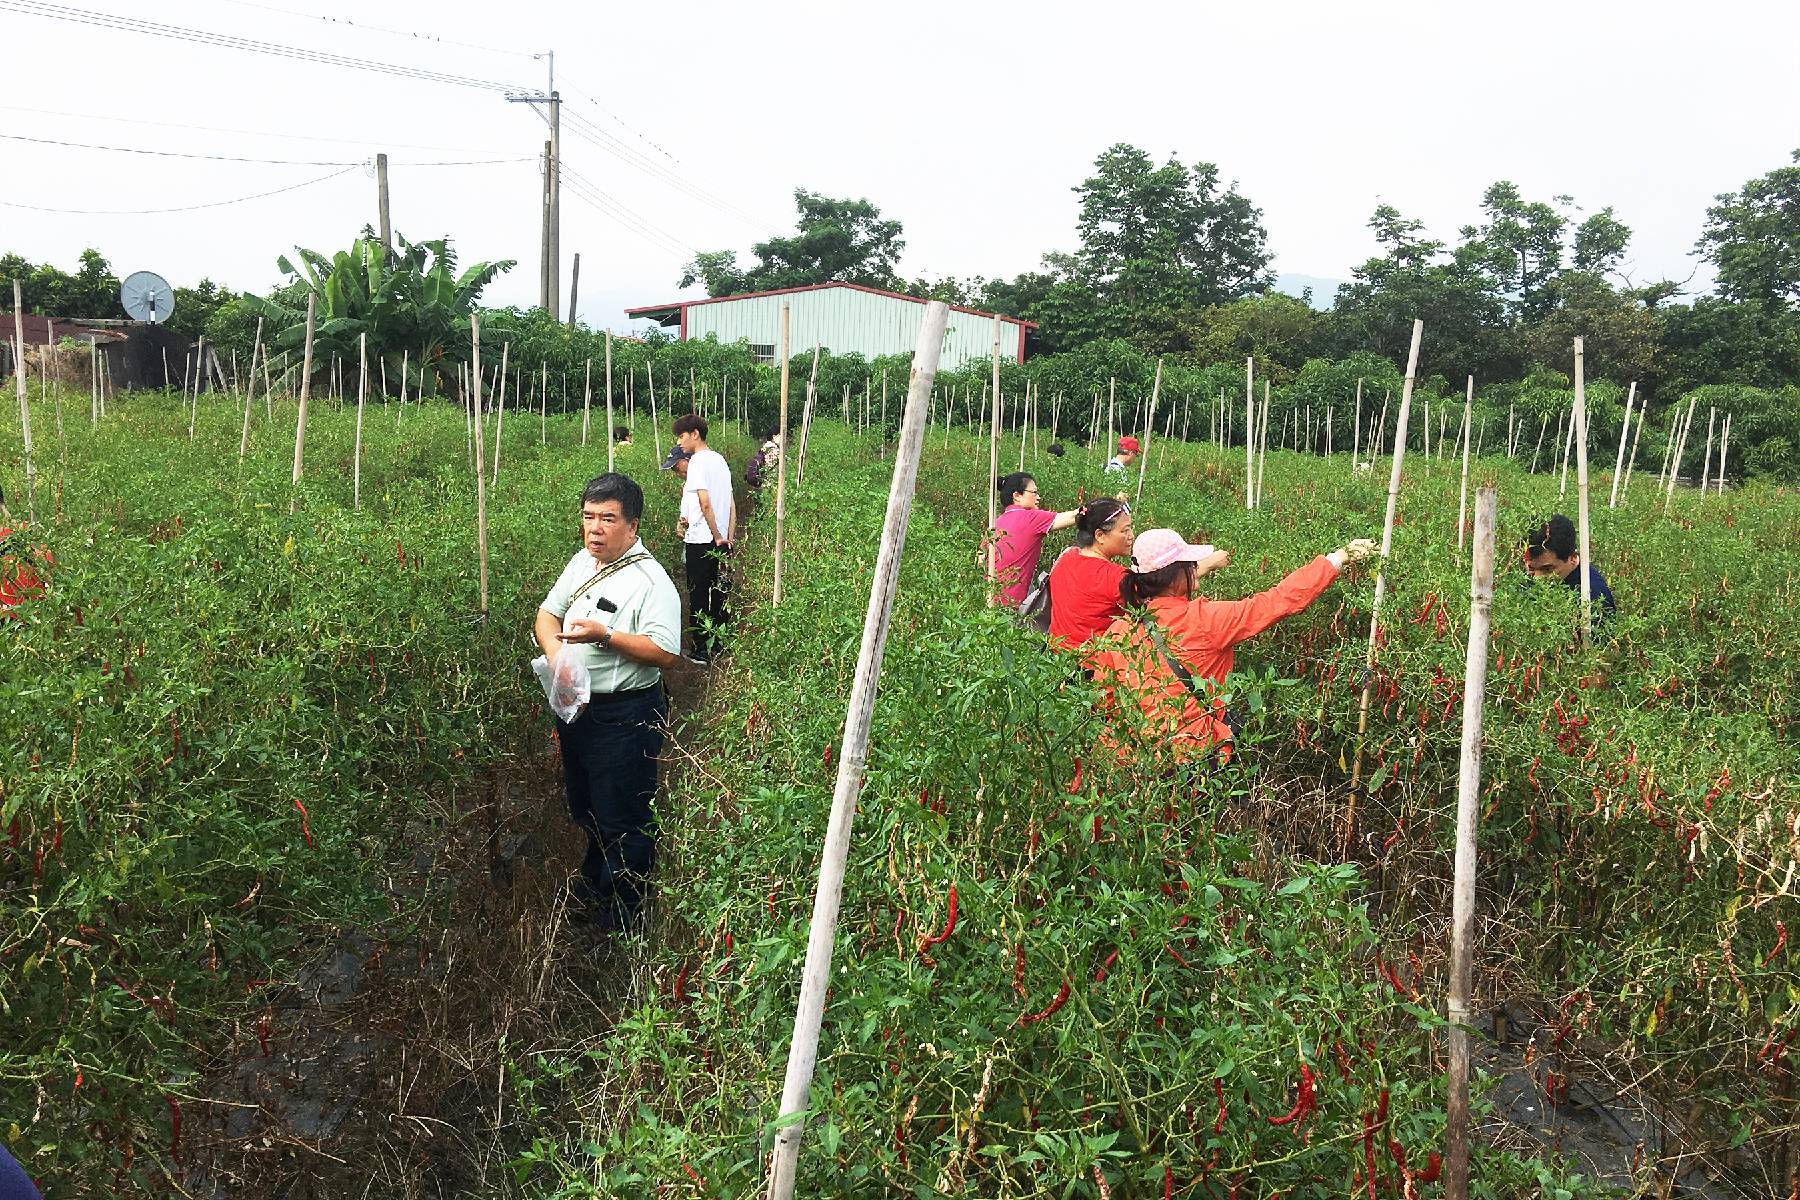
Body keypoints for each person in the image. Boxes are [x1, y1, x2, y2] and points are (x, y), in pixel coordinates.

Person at [534, 473, 682, 932]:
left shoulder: (650, 581)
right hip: (578, 708)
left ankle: (623, 917)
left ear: (632, 526)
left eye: (607, 519)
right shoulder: (582, 562)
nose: (594, 528)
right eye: (588, 517)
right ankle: (597, 884)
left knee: (625, 816)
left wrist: (606, 636)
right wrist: (561, 660)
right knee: (587, 805)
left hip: (626, 714)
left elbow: (666, 653)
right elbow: (547, 614)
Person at [1089, 530, 1378, 764]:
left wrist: (1121, 762)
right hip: (1195, 755)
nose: (1195, 568)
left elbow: (1105, 706)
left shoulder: (1119, 630)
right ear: (1175, 576)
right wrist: (1338, 558)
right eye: (1190, 565)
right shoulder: (1205, 621)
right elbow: (1278, 601)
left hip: (1142, 760)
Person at [673, 414, 736, 665]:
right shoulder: (720, 461)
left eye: (681, 436)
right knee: (720, 590)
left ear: (695, 434)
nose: (679, 442)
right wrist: (727, 538)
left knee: (698, 592)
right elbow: (731, 505)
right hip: (722, 542)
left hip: (701, 539)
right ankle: (719, 643)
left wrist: (716, 535)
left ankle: (701, 651)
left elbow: (705, 501)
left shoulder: (698, 462)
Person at [1046, 497, 1135, 649]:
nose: (1131, 536)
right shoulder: (1116, 577)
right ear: (1099, 535)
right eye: (1125, 530)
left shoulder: (1066, 559)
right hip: (1093, 665)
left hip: (1055, 660)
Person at [991, 471, 1078, 608]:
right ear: (1017, 496)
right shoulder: (1030, 518)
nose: (1038, 497)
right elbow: (1074, 517)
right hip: (1013, 603)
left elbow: (980, 559)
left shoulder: (996, 522)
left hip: (989, 599)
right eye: (1034, 493)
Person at [1524, 514, 1617, 618]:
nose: (1537, 578)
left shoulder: (1593, 598)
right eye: (1531, 568)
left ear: (1572, 557)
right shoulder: (1519, 573)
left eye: (1547, 570)